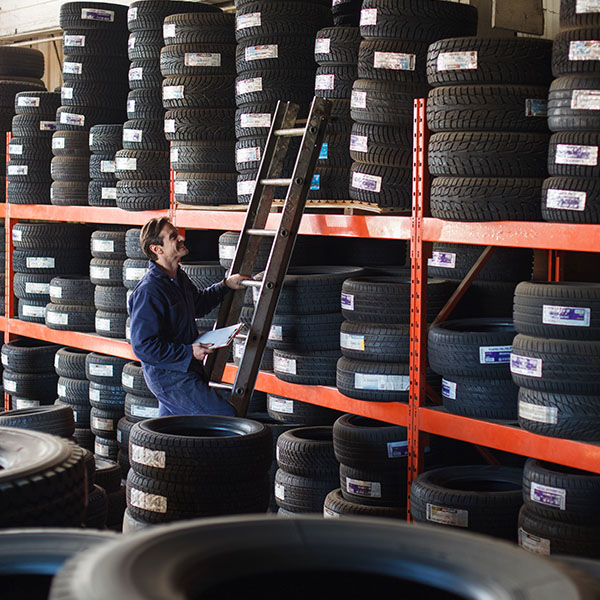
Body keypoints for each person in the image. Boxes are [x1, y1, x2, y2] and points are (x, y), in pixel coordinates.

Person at [128, 217, 249, 417]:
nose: (182, 237)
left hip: (185, 369)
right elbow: (143, 346)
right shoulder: (149, 291)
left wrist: (225, 285)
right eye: (173, 236)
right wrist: (187, 352)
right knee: (225, 417)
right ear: (157, 249)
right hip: (170, 377)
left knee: (172, 434)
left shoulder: (178, 277)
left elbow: (197, 305)